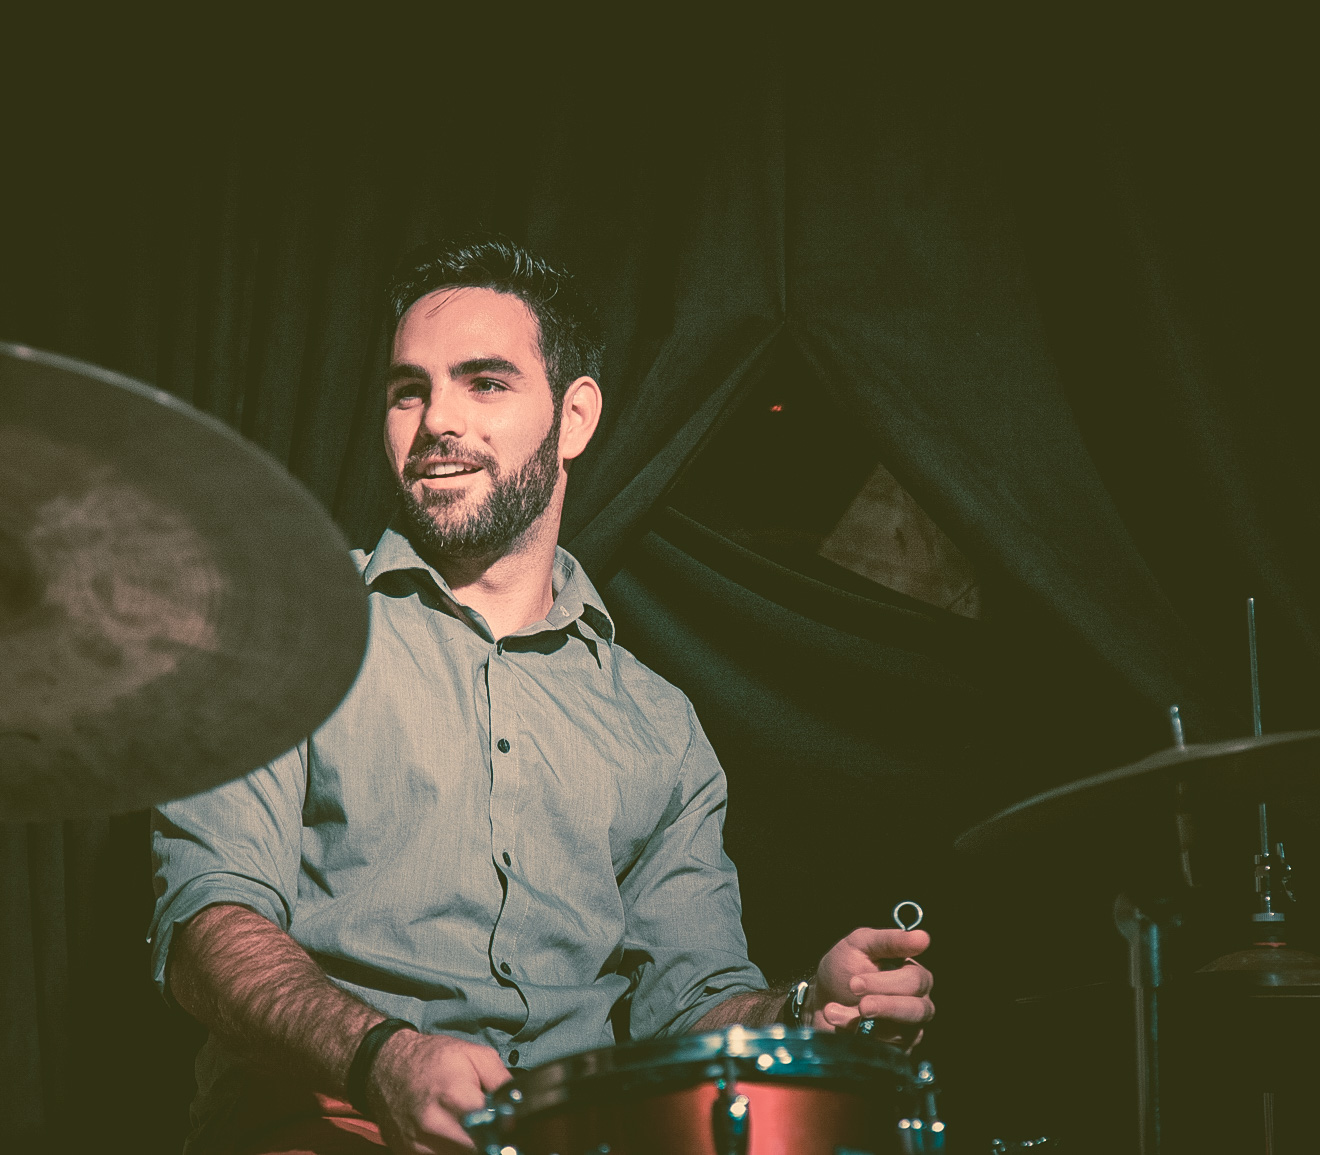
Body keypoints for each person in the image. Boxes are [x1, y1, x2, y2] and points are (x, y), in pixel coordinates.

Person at [150, 238, 935, 1155]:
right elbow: (208, 925)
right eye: (410, 389)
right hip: (328, 1124)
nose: (436, 417)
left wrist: (804, 1010)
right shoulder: (282, 630)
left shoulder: (658, 725)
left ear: (574, 417)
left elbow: (694, 999)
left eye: (484, 382)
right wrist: (379, 1056)